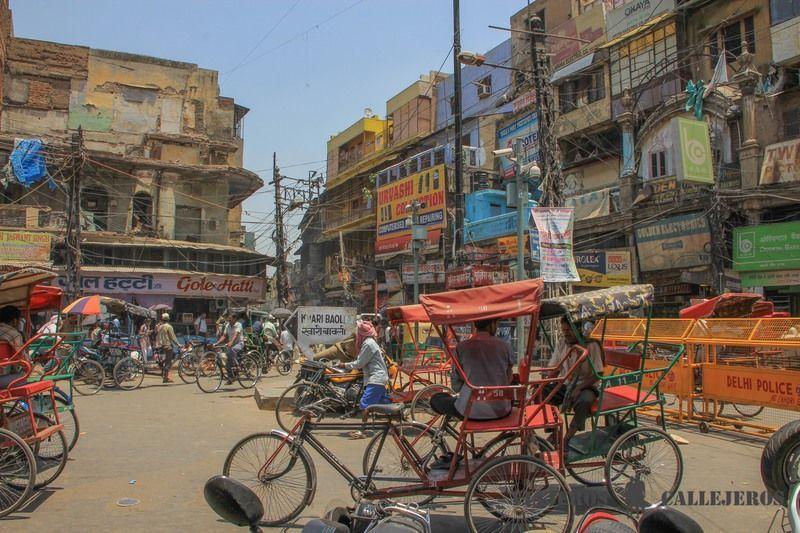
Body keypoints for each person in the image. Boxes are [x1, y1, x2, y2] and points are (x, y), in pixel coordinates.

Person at [430, 318, 514, 421]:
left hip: (470, 411)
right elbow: (509, 378)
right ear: (491, 325)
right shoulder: (505, 346)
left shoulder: (462, 347)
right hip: (502, 410)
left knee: (436, 399)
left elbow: (456, 385)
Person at [544, 316, 604, 442]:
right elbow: (555, 368)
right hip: (567, 383)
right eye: (564, 330)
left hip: (587, 385)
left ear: (578, 329)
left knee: (584, 401)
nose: (566, 333)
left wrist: (579, 388)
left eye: (569, 330)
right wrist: (543, 383)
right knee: (543, 394)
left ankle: (567, 438)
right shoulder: (562, 343)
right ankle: (554, 433)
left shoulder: (591, 345)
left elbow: (598, 373)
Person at [343, 320, 390, 439]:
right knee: (383, 404)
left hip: (376, 378)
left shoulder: (368, 344)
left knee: (365, 405)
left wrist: (344, 365)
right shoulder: (369, 342)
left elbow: (360, 363)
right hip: (376, 377)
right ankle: (395, 423)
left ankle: (362, 431)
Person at [0, 305, 26, 388]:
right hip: (2, 379)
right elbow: (21, 357)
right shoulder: (13, 334)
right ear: (14, 321)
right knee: (26, 377)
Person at [215, 313, 244, 385]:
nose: (229, 320)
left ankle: (237, 365)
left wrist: (231, 342)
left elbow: (236, 334)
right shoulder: (228, 325)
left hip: (239, 344)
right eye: (228, 319)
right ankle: (231, 378)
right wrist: (217, 343)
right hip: (231, 345)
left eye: (230, 319)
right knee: (226, 361)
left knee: (231, 351)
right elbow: (224, 336)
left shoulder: (238, 325)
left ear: (234, 319)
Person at [155, 313, 180, 383]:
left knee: (171, 356)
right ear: (168, 319)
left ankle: (162, 363)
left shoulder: (159, 326)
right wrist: (178, 344)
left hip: (160, 345)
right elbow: (173, 337)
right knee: (168, 361)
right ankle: (166, 378)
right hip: (167, 345)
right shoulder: (169, 326)